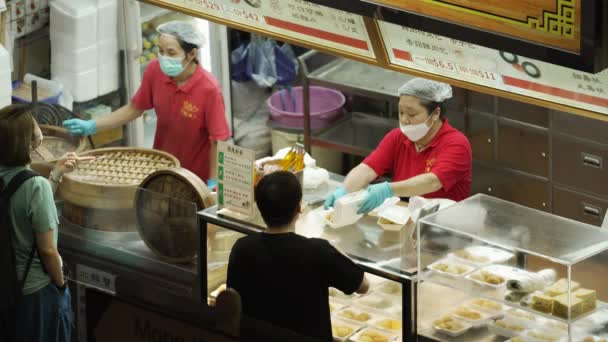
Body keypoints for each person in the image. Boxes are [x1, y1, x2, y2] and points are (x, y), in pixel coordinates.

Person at [63, 21, 231, 183]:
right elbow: (134, 108)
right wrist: (92, 125)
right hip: (162, 167)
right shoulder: (154, 70)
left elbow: (218, 140)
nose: (164, 58)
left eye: (171, 53)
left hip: (195, 177)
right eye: (161, 51)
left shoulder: (209, 90)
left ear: (191, 54)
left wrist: (214, 182)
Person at [227, 171, 369, 341]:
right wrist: (336, 250)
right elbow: (363, 286)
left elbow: (231, 301)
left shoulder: (242, 248)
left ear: (259, 207)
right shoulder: (318, 251)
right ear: (299, 208)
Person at [325, 77, 472, 214]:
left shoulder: (456, 144)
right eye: (401, 113)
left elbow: (432, 182)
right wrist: (344, 191)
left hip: (442, 222)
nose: (404, 120)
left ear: (435, 114)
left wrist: (387, 190)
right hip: (403, 215)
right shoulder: (397, 137)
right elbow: (367, 169)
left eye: (412, 114)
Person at [0, 104, 81, 342]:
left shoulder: (8, 177)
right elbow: (47, 250)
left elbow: (21, 204)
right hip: (36, 293)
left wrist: (55, 174)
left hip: (7, 289)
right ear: (27, 143)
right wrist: (61, 284)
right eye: (35, 128)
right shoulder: (36, 186)